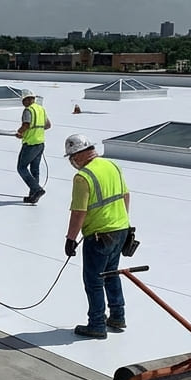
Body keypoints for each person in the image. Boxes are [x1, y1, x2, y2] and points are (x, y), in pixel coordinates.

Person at [62, 134, 130, 339]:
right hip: (121, 230)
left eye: (71, 158)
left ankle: (97, 324)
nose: (71, 163)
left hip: (99, 236)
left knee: (94, 281)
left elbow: (79, 211)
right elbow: (126, 195)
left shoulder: (83, 177)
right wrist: (123, 223)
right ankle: (118, 315)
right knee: (111, 274)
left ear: (79, 155)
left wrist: (70, 238)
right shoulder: (112, 166)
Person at [13, 92, 51, 203]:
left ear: (27, 99)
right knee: (35, 170)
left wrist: (19, 133)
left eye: (23, 100)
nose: (23, 103)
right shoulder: (41, 109)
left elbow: (26, 124)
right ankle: (33, 196)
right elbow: (48, 125)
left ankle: (37, 189)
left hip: (30, 144)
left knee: (21, 168)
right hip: (40, 143)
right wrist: (37, 131)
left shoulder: (28, 110)